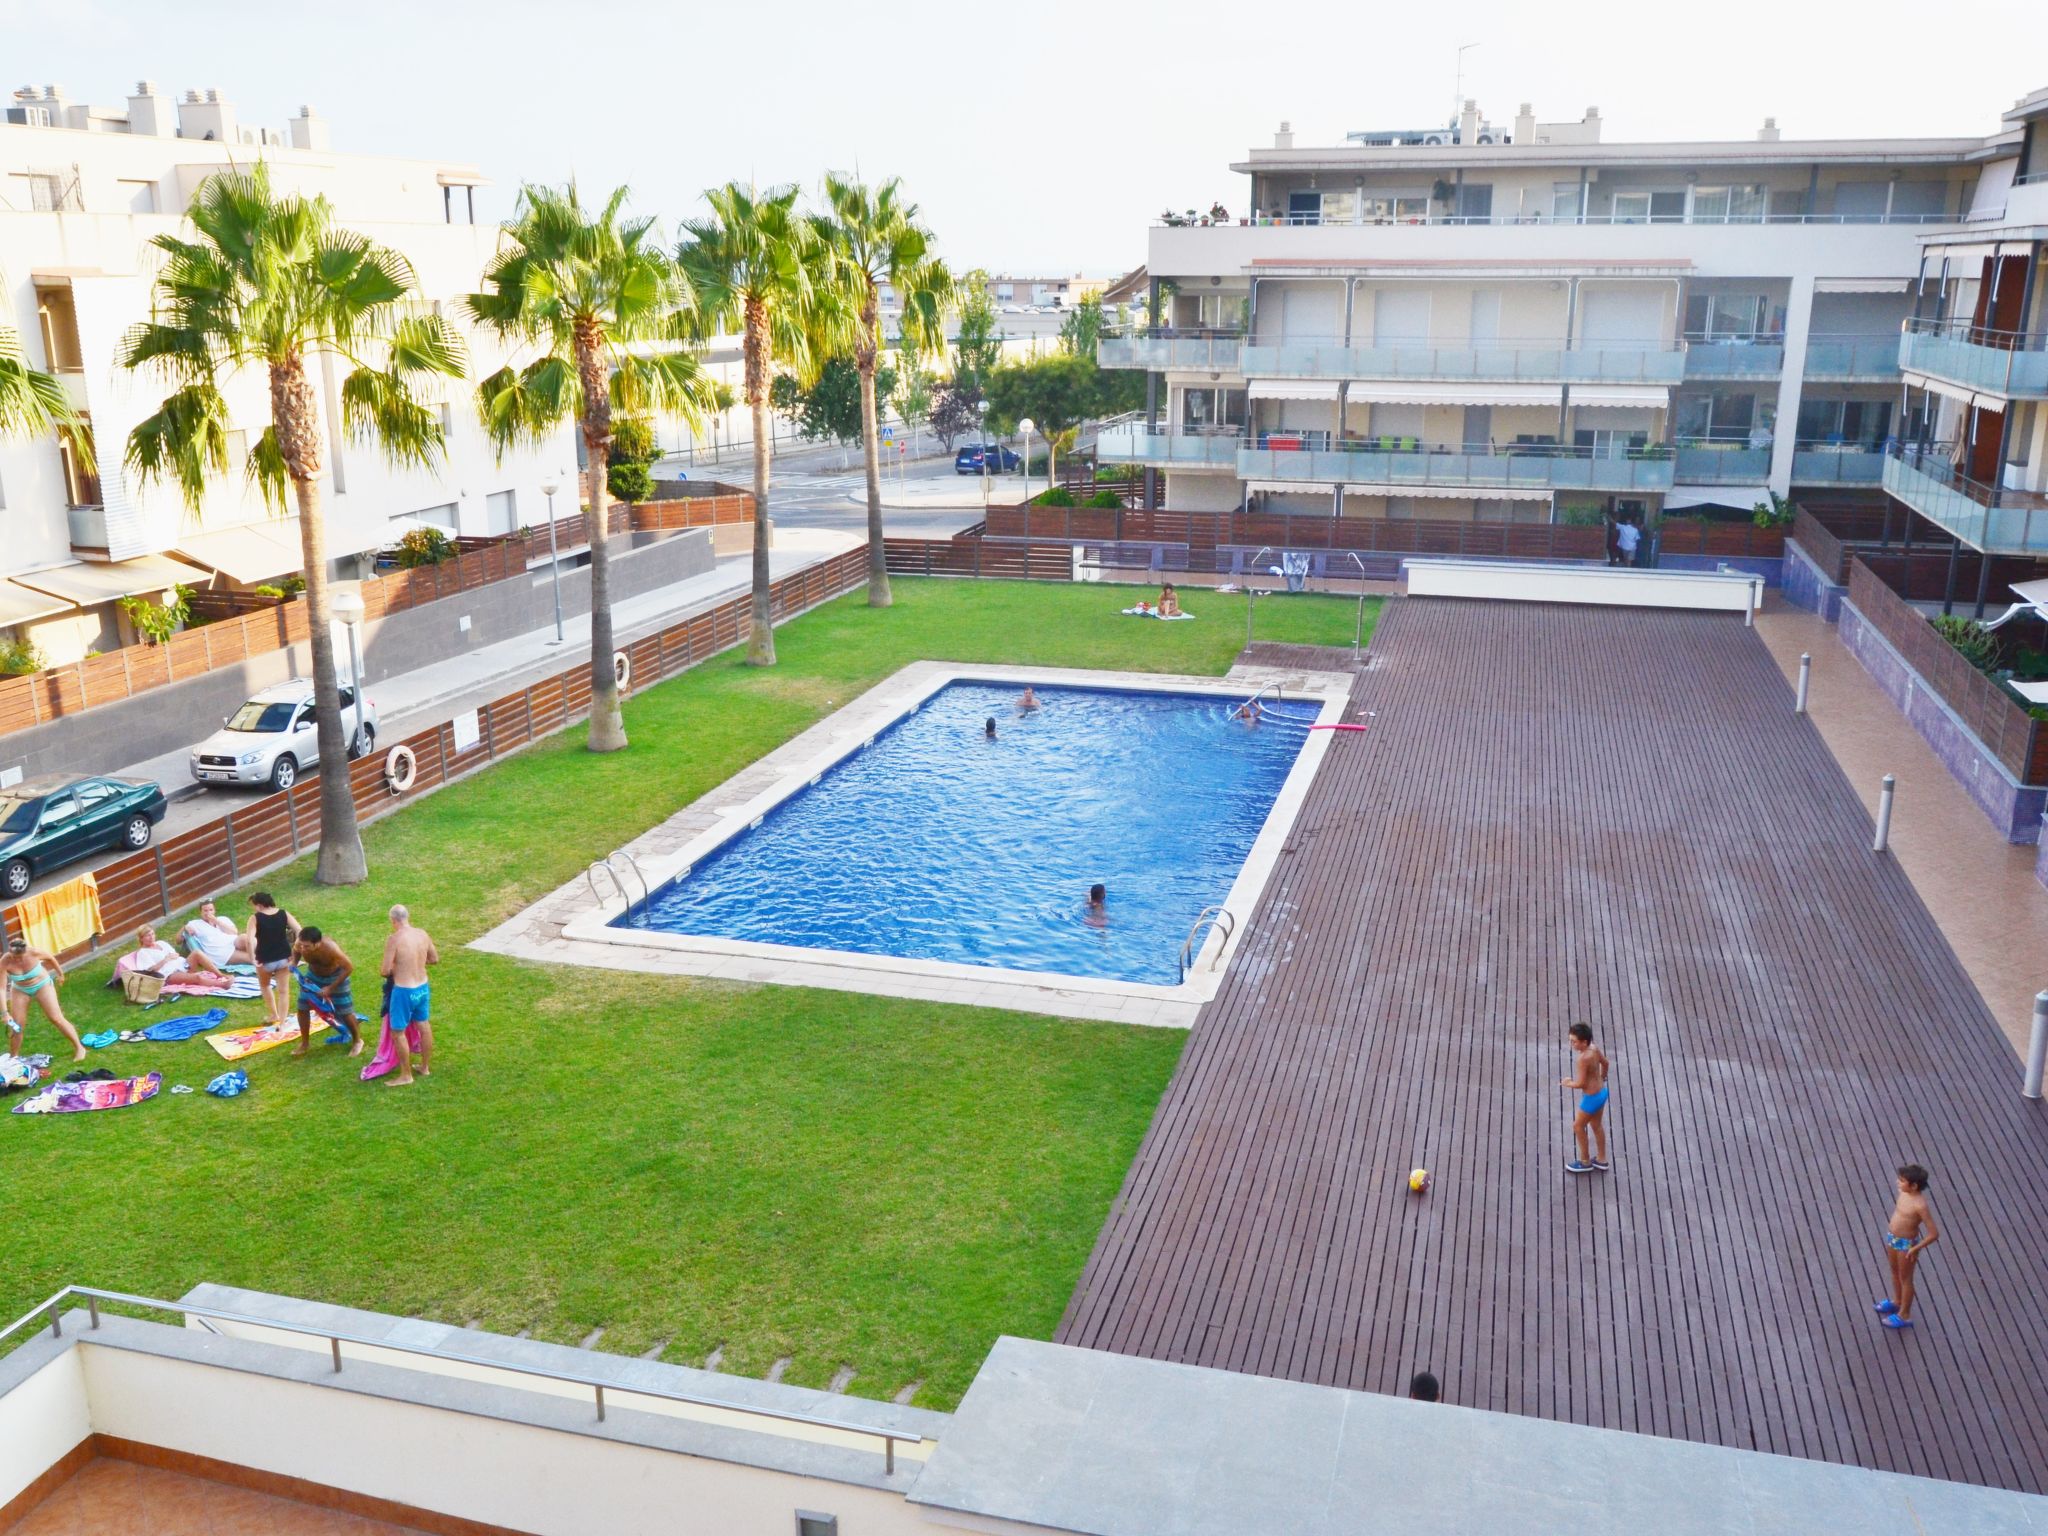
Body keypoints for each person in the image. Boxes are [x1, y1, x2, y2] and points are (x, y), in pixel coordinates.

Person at [379, 904, 439, 1087]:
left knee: (398, 1032)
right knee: (424, 1025)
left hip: (404, 990)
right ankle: (425, 1067)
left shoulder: (394, 939)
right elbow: (434, 959)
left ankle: (406, 1075)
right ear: (407, 916)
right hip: (422, 987)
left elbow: (384, 970)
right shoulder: (422, 933)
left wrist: (399, 967)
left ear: (393, 920)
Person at [1876, 1164, 1939, 1330]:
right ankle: (1897, 1302)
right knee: (1894, 1272)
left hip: (1906, 1244)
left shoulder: (1920, 1205)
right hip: (1893, 1239)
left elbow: (1933, 1233)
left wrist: (1915, 1248)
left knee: (1906, 1279)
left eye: (1902, 1181)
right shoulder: (1903, 1193)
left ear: (1914, 1186)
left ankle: (1904, 1314)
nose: (1898, 1182)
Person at [4, 936, 84, 1063]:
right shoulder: (5, 962)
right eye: (15, 957)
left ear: (26, 951)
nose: (18, 960)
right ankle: (13, 1058)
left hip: (42, 985)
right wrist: (5, 1013)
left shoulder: (34, 952)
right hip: (20, 990)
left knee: (56, 1018)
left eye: (21, 957)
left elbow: (50, 958)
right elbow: (1, 989)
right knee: (17, 1026)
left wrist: (60, 973)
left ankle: (80, 1048)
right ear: (10, 952)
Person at [292, 926, 363, 1058]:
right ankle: (305, 1043)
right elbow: (296, 951)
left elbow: (349, 968)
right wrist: (294, 964)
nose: (303, 949)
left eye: (306, 946)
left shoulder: (331, 949)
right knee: (302, 1007)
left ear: (317, 943)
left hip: (336, 976)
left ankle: (357, 1041)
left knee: (345, 1011)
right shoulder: (300, 943)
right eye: (301, 945)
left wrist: (330, 988)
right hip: (313, 975)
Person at [1562, 1021, 1611, 1174]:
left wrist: (1568, 1083)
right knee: (1596, 1126)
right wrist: (1602, 1077)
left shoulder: (1583, 1058)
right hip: (1602, 1093)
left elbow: (1581, 1083)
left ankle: (1585, 1161)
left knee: (1577, 1126)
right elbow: (1606, 1063)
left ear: (1584, 1042)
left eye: (1574, 1041)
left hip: (1591, 1098)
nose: (1571, 1044)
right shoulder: (1594, 1048)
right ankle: (1602, 1159)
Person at [248, 892, 300, 1027]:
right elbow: (299, 930)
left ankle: (273, 1015)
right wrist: (296, 951)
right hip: (284, 958)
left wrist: (252, 958)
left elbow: (249, 940)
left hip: (264, 960)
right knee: (283, 991)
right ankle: (282, 1022)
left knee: (265, 986)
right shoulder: (284, 913)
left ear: (259, 905)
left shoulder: (255, 918)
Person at [182, 899, 251, 972]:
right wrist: (184, 927)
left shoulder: (223, 919)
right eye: (205, 911)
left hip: (233, 942)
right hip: (221, 952)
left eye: (211, 910)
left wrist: (217, 922)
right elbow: (178, 940)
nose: (208, 913)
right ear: (200, 912)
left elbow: (234, 932)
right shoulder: (195, 924)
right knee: (251, 958)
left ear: (214, 910)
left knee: (245, 937)